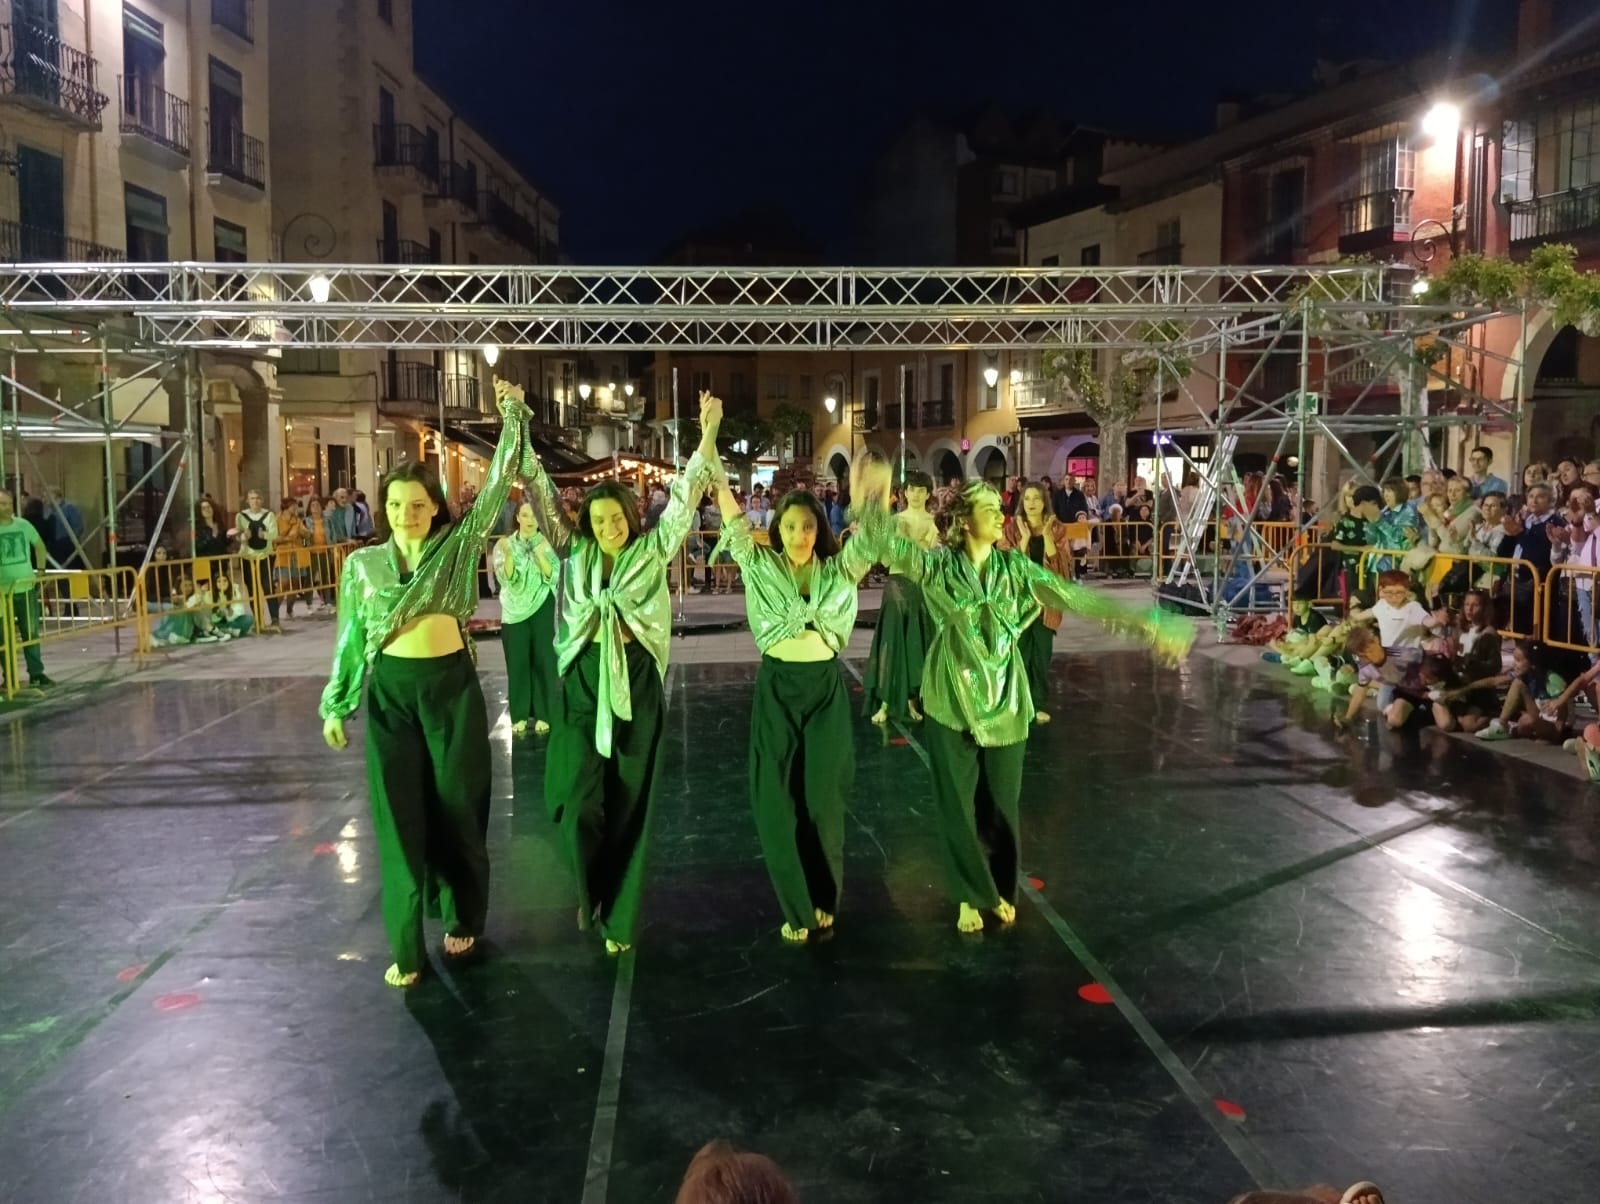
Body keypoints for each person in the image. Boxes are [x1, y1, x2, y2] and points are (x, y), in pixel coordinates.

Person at [879, 481, 1193, 932]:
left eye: (998, 508)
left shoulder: (1016, 569)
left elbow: (1076, 596)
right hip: (950, 695)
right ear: (964, 519)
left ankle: (1001, 887)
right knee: (957, 803)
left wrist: (1149, 622)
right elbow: (884, 543)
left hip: (1006, 695)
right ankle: (970, 895)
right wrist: (868, 503)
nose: (999, 515)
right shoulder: (937, 566)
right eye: (988, 508)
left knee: (1003, 804)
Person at [319, 378, 531, 989]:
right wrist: (337, 703)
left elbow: (497, 485)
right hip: (391, 696)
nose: (405, 515)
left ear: (435, 506)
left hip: (452, 691)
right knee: (399, 817)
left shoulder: (459, 548)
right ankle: (407, 944)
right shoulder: (362, 566)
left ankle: (463, 913)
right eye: (394, 506)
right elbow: (350, 639)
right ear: (381, 511)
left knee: (459, 808)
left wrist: (512, 415)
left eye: (417, 505)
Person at [524, 391, 722, 955]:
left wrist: (707, 431)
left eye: (616, 517)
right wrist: (516, 424)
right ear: (585, 520)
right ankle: (592, 886)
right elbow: (539, 494)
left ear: (632, 517)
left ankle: (617, 914)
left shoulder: (651, 550)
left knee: (631, 801)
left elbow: (684, 498)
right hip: (585, 677)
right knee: (578, 798)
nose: (608, 525)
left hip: (636, 678)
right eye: (598, 517)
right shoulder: (574, 552)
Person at [712, 452, 892, 943]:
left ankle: (823, 898)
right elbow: (731, 517)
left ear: (819, 529)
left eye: (808, 526)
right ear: (776, 529)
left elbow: (873, 541)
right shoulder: (760, 565)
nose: (800, 536)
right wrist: (709, 442)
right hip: (777, 690)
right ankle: (796, 905)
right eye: (790, 527)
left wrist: (870, 496)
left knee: (823, 799)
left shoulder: (838, 571)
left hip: (824, 691)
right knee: (776, 800)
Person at [863, 469, 939, 726]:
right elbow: (885, 560)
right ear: (904, 492)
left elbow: (926, 560)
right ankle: (885, 702)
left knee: (916, 645)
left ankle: (911, 700)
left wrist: (907, 542)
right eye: (911, 490)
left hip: (919, 588)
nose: (916, 495)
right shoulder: (895, 521)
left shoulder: (933, 522)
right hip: (896, 586)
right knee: (891, 644)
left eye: (921, 490)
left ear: (928, 494)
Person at [998, 481, 1073, 723]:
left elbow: (1062, 567)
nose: (1031, 503)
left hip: (1045, 602)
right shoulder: (1011, 529)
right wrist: (1025, 538)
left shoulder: (1058, 529)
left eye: (1036, 498)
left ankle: (1038, 703)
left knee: (1041, 655)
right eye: (1027, 498)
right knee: (1020, 654)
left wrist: (1047, 536)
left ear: (1044, 502)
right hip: (1019, 602)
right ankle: (1018, 702)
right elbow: (1007, 565)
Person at [492, 501, 560, 737]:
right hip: (513, 612)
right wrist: (510, 555)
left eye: (534, 515)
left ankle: (544, 713)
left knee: (544, 660)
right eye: (525, 515)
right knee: (518, 662)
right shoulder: (504, 545)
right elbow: (505, 579)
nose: (530, 520)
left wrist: (541, 556)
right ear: (518, 517)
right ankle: (519, 714)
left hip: (542, 605)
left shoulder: (547, 543)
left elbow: (555, 577)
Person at [0, 488, 52, 689]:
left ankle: (37, 673)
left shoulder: (24, 525)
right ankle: (10, 677)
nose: (3, 508)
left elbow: (39, 546)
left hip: (25, 588)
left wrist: (40, 570)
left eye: (6, 503)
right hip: (1, 593)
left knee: (30, 632)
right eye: (0, 504)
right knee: (3, 637)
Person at [232, 489, 281, 633]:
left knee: (268, 587)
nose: (255, 501)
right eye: (252, 498)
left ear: (262, 500)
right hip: (247, 556)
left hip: (264, 556)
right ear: (247, 501)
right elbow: (237, 534)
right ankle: (258, 620)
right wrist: (242, 537)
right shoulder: (241, 516)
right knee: (252, 589)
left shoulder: (269, 515)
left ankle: (275, 618)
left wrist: (263, 535)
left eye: (258, 498)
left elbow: (274, 534)